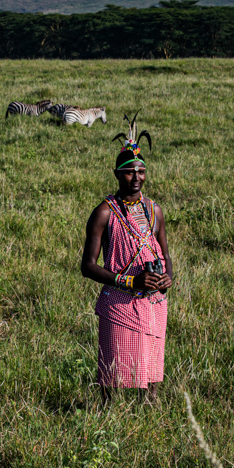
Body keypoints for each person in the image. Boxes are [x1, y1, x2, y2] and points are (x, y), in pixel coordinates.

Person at [79, 115, 173, 405]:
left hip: (155, 302)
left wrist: (168, 277)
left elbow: (166, 254)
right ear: (117, 175)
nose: (136, 178)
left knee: (151, 373)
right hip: (119, 302)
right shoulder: (104, 213)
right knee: (112, 374)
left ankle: (149, 412)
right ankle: (108, 413)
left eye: (141, 171)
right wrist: (130, 280)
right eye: (130, 172)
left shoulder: (155, 211)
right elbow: (88, 266)